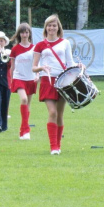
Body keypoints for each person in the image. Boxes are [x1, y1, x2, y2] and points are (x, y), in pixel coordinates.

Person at [32, 14, 74, 155]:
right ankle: (53, 147)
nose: (51, 28)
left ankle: (58, 144)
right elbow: (34, 67)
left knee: (60, 114)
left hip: (62, 81)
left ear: (58, 27)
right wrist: (41, 68)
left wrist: (79, 68)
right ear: (46, 28)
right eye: (49, 25)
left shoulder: (65, 43)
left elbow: (70, 63)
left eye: (54, 25)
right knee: (52, 112)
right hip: (47, 81)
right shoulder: (40, 45)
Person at [9, 23, 37, 140]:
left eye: (26, 32)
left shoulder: (35, 48)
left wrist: (37, 74)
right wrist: (11, 79)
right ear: (19, 34)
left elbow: (37, 64)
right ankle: (26, 130)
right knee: (24, 99)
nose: (24, 35)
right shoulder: (15, 49)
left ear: (29, 34)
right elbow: (12, 66)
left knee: (28, 105)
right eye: (22, 32)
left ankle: (23, 130)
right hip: (19, 78)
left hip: (31, 78)